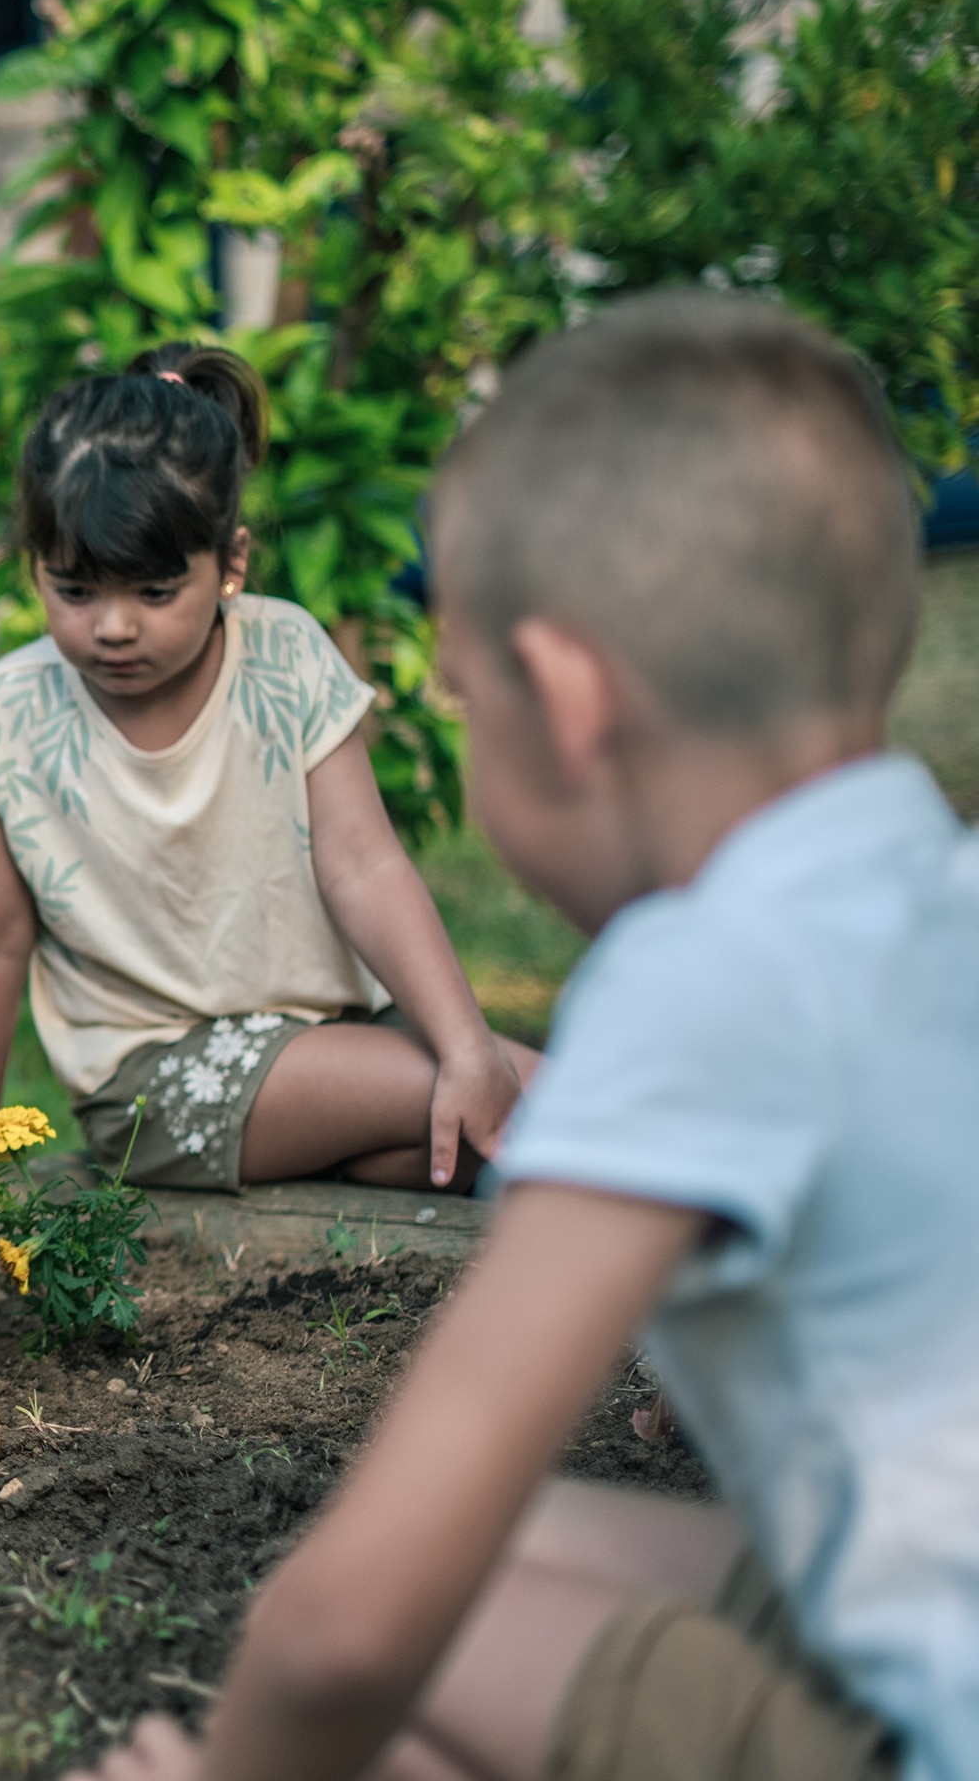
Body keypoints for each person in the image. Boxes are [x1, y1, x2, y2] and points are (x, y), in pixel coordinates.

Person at [68, 292, 960, 1781]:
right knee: (514, 1548)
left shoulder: (694, 981)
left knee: (398, 1628)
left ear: (564, 702)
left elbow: (353, 1626)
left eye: (471, 704)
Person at [0, 345, 530, 1210]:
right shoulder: (6, 716)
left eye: (153, 592)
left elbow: (365, 865)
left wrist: (465, 1043)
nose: (111, 628)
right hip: (153, 1083)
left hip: (335, 1035)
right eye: (73, 590)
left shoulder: (285, 655)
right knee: (545, 1094)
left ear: (232, 563)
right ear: (33, 567)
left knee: (473, 1107)